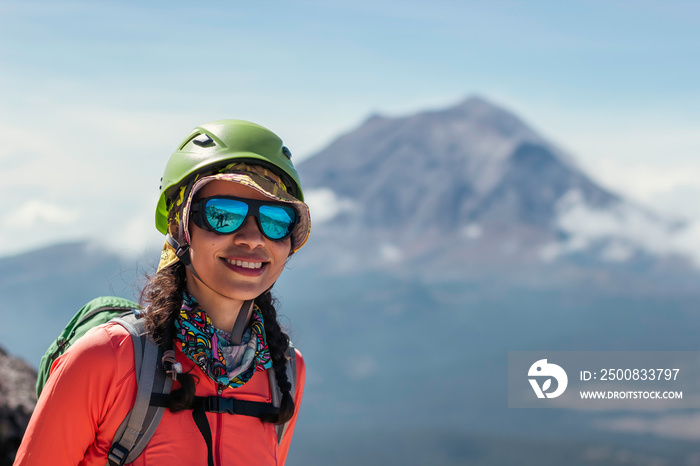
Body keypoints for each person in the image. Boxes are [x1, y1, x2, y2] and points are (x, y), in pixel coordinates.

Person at [15, 119, 311, 465]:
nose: (253, 237)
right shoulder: (107, 358)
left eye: (277, 220)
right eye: (223, 215)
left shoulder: (284, 371)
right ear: (179, 226)